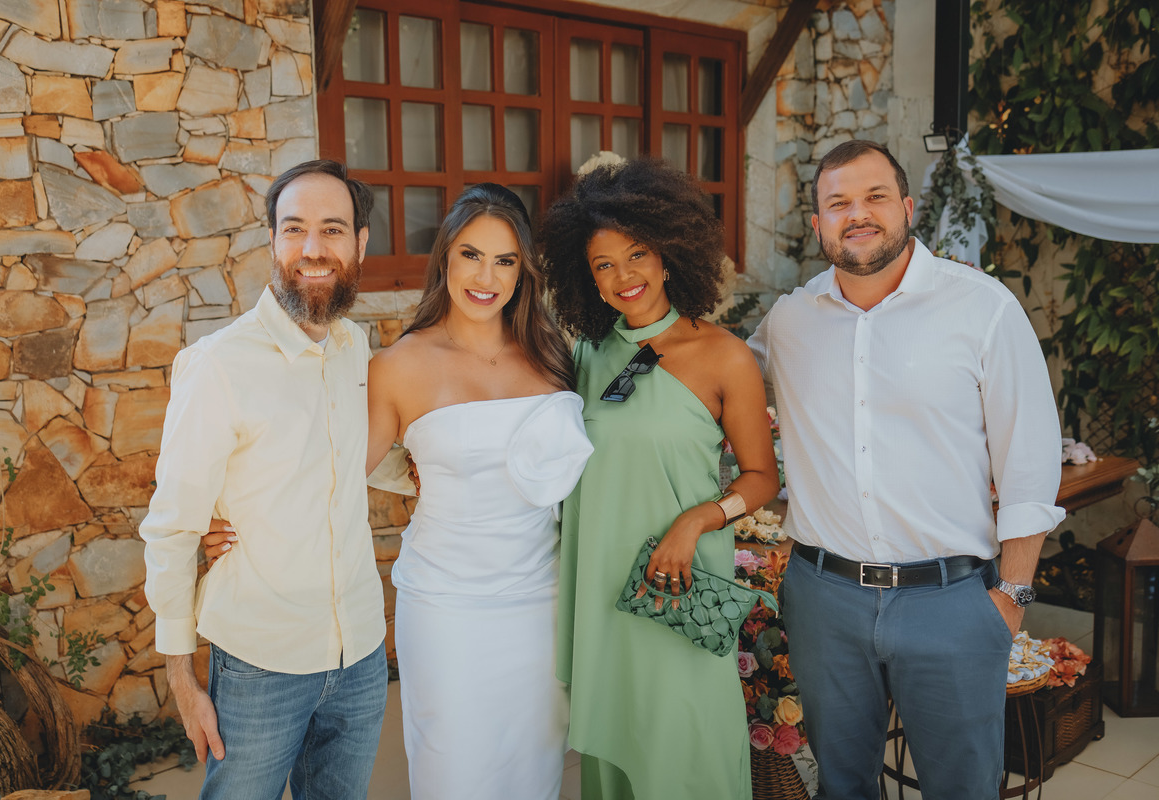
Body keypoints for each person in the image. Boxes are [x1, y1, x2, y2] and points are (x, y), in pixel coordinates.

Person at [206, 183, 592, 800]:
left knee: (534, 770)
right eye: (470, 255)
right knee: (456, 773)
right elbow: (331, 469)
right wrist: (225, 515)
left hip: (541, 603)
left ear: (524, 269)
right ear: (444, 259)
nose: (486, 277)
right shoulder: (399, 365)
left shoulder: (553, 354)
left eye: (504, 260)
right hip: (449, 606)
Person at [748, 140, 1065, 799]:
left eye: (875, 197)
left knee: (962, 789)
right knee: (842, 786)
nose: (857, 214)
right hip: (824, 600)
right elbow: (717, 389)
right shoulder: (789, 322)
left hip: (950, 601)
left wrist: (1013, 597)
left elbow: (1030, 464)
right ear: (818, 224)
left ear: (908, 207)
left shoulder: (983, 309)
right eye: (838, 203)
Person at [140, 159, 388, 800]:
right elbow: (173, 527)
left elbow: (358, 455)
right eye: (294, 228)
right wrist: (182, 679)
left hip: (361, 654)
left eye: (332, 229)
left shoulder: (354, 348)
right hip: (259, 664)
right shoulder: (217, 366)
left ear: (360, 243)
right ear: (273, 241)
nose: (313, 248)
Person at [538, 157, 781, 800]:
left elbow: (762, 476)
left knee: (686, 745)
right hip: (601, 584)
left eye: (636, 255)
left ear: (668, 254)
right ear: (587, 277)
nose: (624, 277)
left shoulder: (725, 355)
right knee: (617, 746)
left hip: (680, 581)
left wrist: (698, 519)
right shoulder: (585, 355)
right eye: (604, 265)